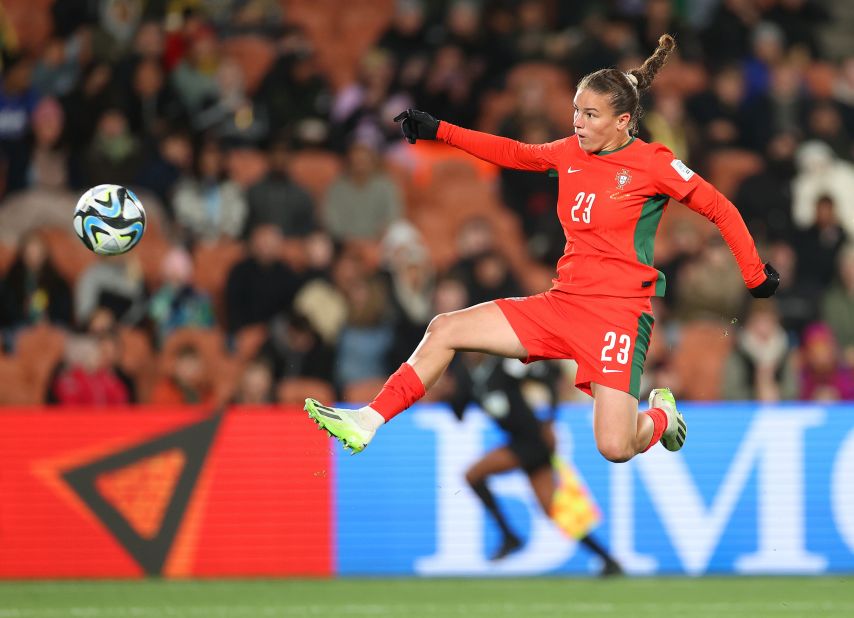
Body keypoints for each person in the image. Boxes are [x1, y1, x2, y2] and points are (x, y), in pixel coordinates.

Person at [305, 35, 780, 460]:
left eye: (590, 115)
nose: (577, 122)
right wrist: (440, 131)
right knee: (444, 327)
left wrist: (754, 274)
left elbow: (720, 208)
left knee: (615, 447)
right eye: (575, 109)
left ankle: (661, 416)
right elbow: (514, 152)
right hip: (562, 305)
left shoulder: (653, 163)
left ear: (623, 121)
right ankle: (367, 420)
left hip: (617, 316)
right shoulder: (570, 153)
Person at [441, 352, 622, 575]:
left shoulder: (504, 365)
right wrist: (449, 394)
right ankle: (607, 559)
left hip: (532, 441)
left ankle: (509, 535)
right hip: (518, 442)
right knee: (553, 509)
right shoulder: (465, 374)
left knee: (473, 475)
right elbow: (460, 411)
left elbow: (546, 376)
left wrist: (550, 418)